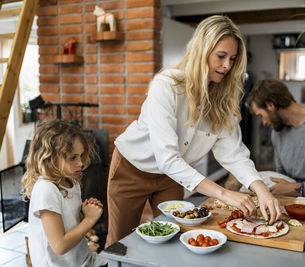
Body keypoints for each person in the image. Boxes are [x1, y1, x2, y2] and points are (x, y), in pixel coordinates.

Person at [106, 15, 281, 247]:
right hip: (132, 169)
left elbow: (234, 154)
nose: (227, 65)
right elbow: (167, 158)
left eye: (232, 59)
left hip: (172, 176)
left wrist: (261, 190)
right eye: (221, 56)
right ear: (202, 51)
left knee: (176, 236)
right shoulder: (166, 86)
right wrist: (225, 194)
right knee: (120, 242)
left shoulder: (223, 102)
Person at [21, 120, 107, 267]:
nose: (80, 163)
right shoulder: (46, 190)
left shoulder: (71, 181)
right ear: (50, 159)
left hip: (79, 260)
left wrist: (83, 213)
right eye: (73, 158)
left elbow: (69, 221)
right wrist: (89, 220)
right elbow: (59, 246)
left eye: (81, 156)